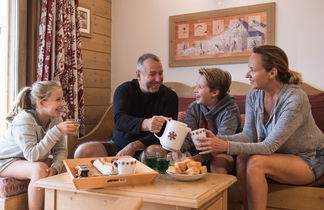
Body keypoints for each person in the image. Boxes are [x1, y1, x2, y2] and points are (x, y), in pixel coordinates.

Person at [194, 45, 324, 210]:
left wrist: (224, 146)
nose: (247, 75)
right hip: (277, 156)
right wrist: (215, 139)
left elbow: (269, 146)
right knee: (242, 158)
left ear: (272, 72)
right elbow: (249, 135)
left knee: (256, 162)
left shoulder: (295, 99)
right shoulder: (254, 95)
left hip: (309, 158)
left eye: (252, 70)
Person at [74, 53, 178, 159]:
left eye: (160, 73)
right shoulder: (123, 90)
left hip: (148, 148)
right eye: (152, 74)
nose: (158, 79)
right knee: (84, 151)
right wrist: (146, 123)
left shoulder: (170, 96)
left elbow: (168, 133)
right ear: (138, 75)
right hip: (118, 146)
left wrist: (134, 146)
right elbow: (120, 121)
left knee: (156, 152)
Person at [0, 81, 78, 210]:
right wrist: (56, 131)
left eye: (63, 99)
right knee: (39, 169)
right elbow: (32, 156)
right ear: (41, 103)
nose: (63, 103)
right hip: (6, 160)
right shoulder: (24, 119)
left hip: (24, 159)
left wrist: (56, 168)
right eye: (58, 100)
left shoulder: (55, 119)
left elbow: (61, 150)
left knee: (67, 166)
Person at [181, 68, 241, 174]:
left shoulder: (230, 110)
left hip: (225, 151)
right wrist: (180, 151)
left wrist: (198, 158)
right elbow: (188, 136)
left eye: (199, 87)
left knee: (218, 161)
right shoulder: (193, 107)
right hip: (198, 150)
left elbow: (220, 144)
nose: (195, 90)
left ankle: (220, 190)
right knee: (179, 156)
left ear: (214, 92)